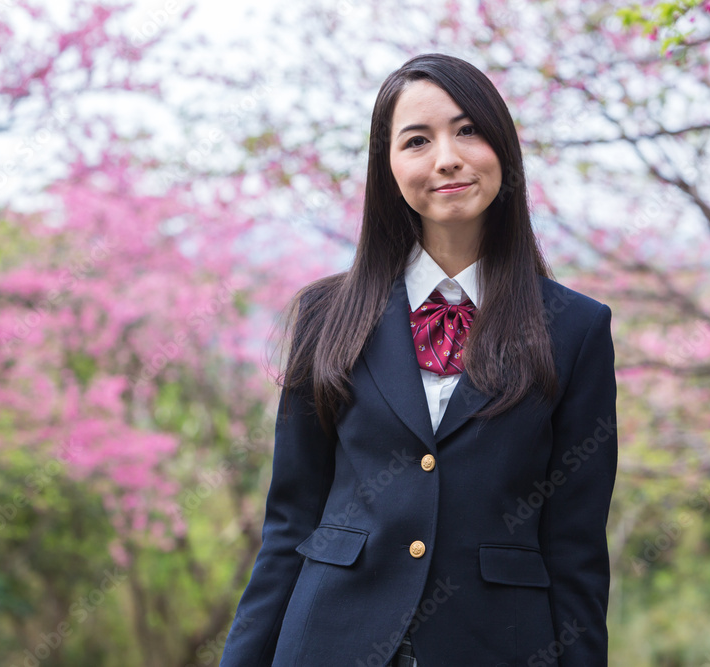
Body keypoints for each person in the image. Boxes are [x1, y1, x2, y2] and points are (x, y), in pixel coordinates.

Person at [218, 53, 617, 666]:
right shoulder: (329, 315)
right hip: (329, 640)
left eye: (467, 130)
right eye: (416, 140)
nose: (447, 158)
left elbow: (576, 548)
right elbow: (290, 524)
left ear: (502, 149)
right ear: (390, 168)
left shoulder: (577, 329)